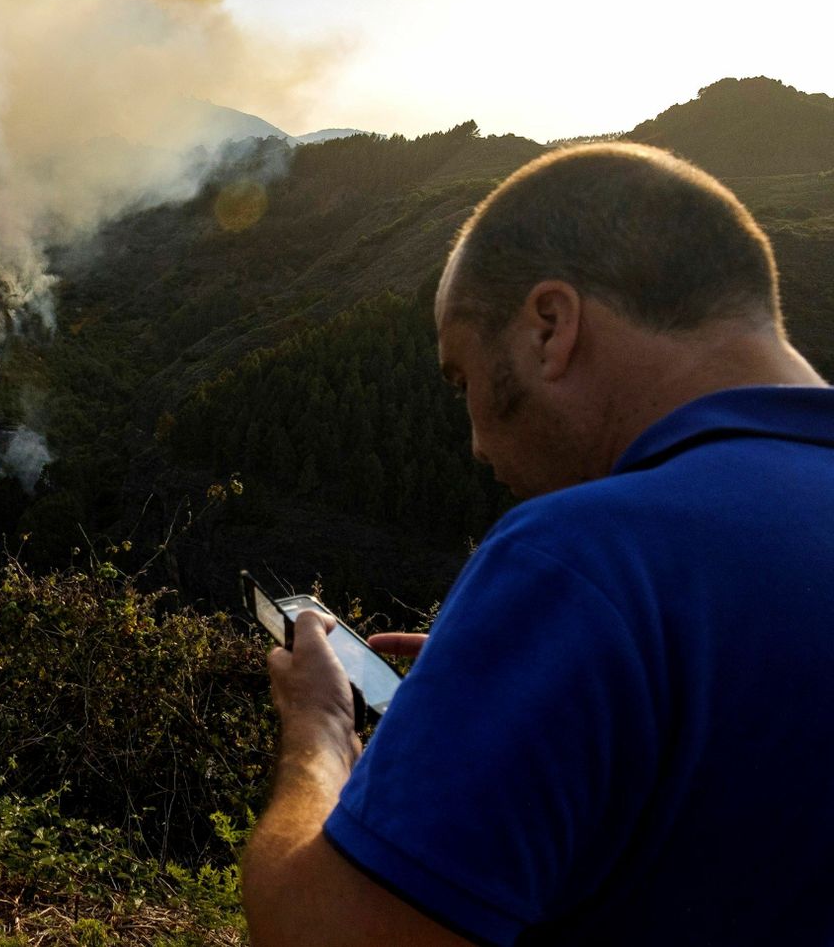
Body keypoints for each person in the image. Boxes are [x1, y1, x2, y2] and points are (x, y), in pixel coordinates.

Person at [241, 142, 834, 945]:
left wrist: (319, 726)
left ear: (549, 328)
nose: (476, 443)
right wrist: (535, 687)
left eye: (462, 380)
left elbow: (318, 934)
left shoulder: (583, 560)